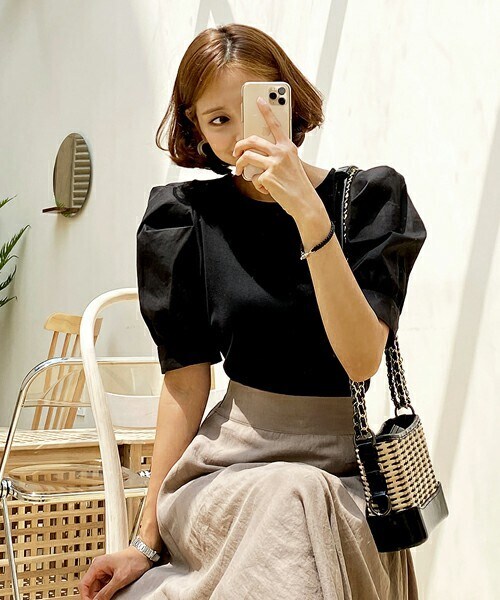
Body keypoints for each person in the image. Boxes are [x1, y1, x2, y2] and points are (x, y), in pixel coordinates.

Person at [79, 23, 427, 600]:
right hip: (225, 472)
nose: (241, 134)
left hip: (343, 476)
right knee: (291, 496)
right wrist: (144, 542)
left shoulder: (368, 201)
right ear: (196, 130)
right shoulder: (185, 218)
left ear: (287, 98)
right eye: (218, 120)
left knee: (298, 495)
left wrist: (308, 213)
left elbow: (362, 360)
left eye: (255, 108)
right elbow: (185, 386)